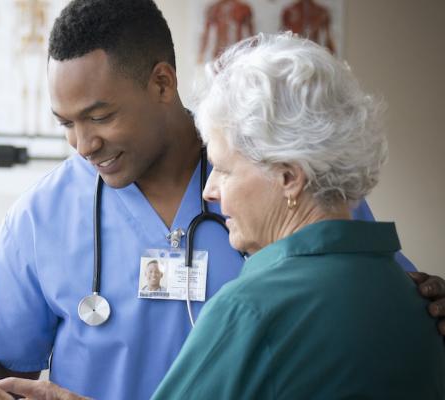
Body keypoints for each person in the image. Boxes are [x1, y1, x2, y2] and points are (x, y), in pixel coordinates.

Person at [0, 1, 445, 399]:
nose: (84, 145)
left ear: (162, 83)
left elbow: (370, 305)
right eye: (66, 124)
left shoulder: (280, 178)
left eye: (101, 116)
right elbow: (0, 365)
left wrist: (433, 305)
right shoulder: (40, 216)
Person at [152, 32, 445, 399]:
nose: (210, 190)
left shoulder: (250, 310)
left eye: (223, 169)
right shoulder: (417, 301)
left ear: (288, 177)